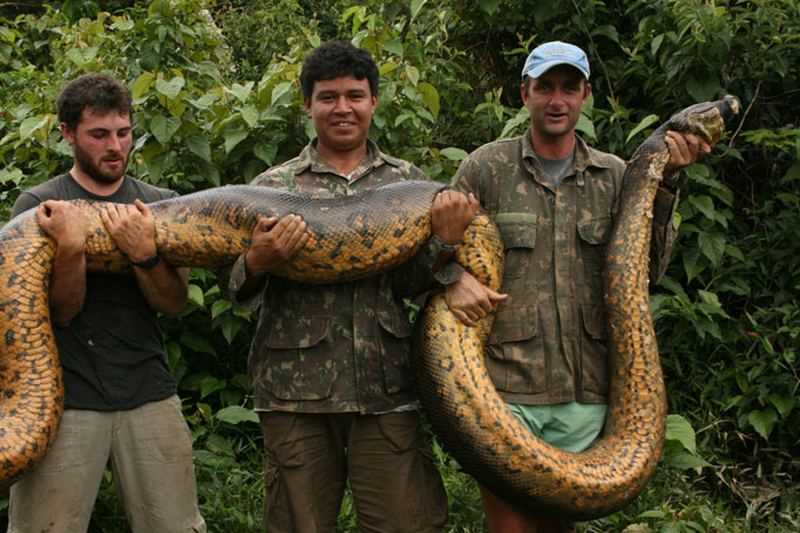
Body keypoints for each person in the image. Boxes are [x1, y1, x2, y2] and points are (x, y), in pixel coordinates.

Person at [443, 41, 711, 533]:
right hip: (504, 387)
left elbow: (646, 270)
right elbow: (441, 249)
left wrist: (668, 183)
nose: (557, 99)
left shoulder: (613, 175)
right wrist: (452, 274)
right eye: (545, 87)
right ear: (524, 94)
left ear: (585, 94)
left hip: (583, 390)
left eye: (569, 87)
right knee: (507, 526)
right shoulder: (485, 168)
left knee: (555, 527)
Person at [227, 40, 477, 533]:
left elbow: (411, 284)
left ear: (374, 102)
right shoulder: (270, 187)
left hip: (386, 391)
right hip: (294, 396)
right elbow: (234, 289)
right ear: (307, 104)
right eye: (328, 97)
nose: (342, 108)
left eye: (355, 95)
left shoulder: (408, 183)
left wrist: (444, 243)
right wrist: (256, 261)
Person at [7, 73, 206, 533]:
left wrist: (145, 255)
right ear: (67, 133)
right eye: (99, 134)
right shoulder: (39, 206)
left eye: (124, 132)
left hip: (148, 392)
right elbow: (61, 313)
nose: (115, 146)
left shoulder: (159, 205)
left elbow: (173, 303)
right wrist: (72, 250)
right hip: (66, 403)